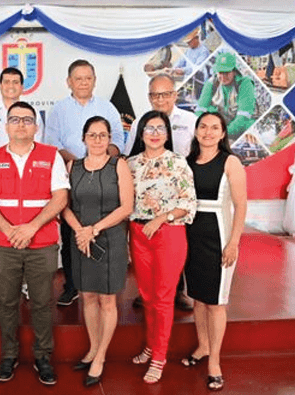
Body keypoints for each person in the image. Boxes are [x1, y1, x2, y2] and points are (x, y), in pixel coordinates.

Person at [0, 101, 69, 386]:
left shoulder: (51, 156)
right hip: (4, 244)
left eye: (27, 120)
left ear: (36, 127)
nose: (21, 125)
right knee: (6, 302)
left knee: (42, 302)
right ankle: (9, 355)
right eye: (15, 120)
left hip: (41, 242)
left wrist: (31, 227)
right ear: (5, 127)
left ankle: (43, 356)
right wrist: (8, 229)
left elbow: (60, 197)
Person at [45, 59, 125, 307]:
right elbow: (53, 144)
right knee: (72, 231)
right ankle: (72, 285)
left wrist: (98, 161)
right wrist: (80, 164)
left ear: (94, 80)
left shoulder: (108, 107)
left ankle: (104, 283)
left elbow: (118, 141)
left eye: (88, 78)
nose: (83, 82)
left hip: (104, 173)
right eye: (78, 78)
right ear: (69, 81)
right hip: (72, 173)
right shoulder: (58, 110)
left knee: (103, 229)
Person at [62, 116, 133, 387]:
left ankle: (101, 356)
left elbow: (126, 207)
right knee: (88, 296)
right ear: (83, 138)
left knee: (107, 301)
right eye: (92, 135)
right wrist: (81, 231)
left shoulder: (119, 165)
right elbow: (64, 205)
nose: (97, 140)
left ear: (110, 139)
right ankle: (92, 348)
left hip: (109, 238)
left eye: (103, 135)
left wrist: (93, 229)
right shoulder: (73, 166)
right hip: (80, 239)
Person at [127, 110, 197, 384]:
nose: (154, 133)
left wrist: (161, 218)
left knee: (164, 296)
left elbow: (188, 203)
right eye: (149, 128)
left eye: (160, 128)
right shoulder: (131, 164)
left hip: (168, 234)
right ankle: (151, 344)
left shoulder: (178, 163)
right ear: (141, 133)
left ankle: (159, 356)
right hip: (138, 233)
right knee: (146, 295)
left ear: (168, 134)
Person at [181, 112, 247, 391]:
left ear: (222, 134)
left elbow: (241, 206)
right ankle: (202, 347)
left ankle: (215, 362)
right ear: (196, 131)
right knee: (197, 297)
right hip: (190, 237)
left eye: (214, 128)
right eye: (203, 127)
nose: (208, 132)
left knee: (216, 302)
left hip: (218, 237)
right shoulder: (186, 163)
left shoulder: (230, 162)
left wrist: (233, 243)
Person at [126, 73, 198, 311]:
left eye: (165, 94)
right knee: (146, 254)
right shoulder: (140, 123)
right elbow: (131, 156)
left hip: (180, 194)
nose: (160, 99)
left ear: (174, 95)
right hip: (148, 198)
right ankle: (148, 291)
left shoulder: (189, 120)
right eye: (155, 95)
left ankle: (177, 291)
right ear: (149, 97)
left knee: (176, 250)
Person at [0, 67, 44, 302]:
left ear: (22, 86)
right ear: (0, 85)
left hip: (26, 181)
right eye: (6, 81)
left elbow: (39, 149)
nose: (11, 86)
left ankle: (25, 282)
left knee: (24, 229)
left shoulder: (32, 114)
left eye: (16, 82)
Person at [196, 51, 256, 137]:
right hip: (218, 124)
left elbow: (243, 117)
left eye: (227, 72)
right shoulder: (211, 83)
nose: (223, 77)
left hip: (240, 126)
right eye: (220, 73)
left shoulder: (245, 83)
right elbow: (200, 109)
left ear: (234, 71)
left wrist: (223, 134)